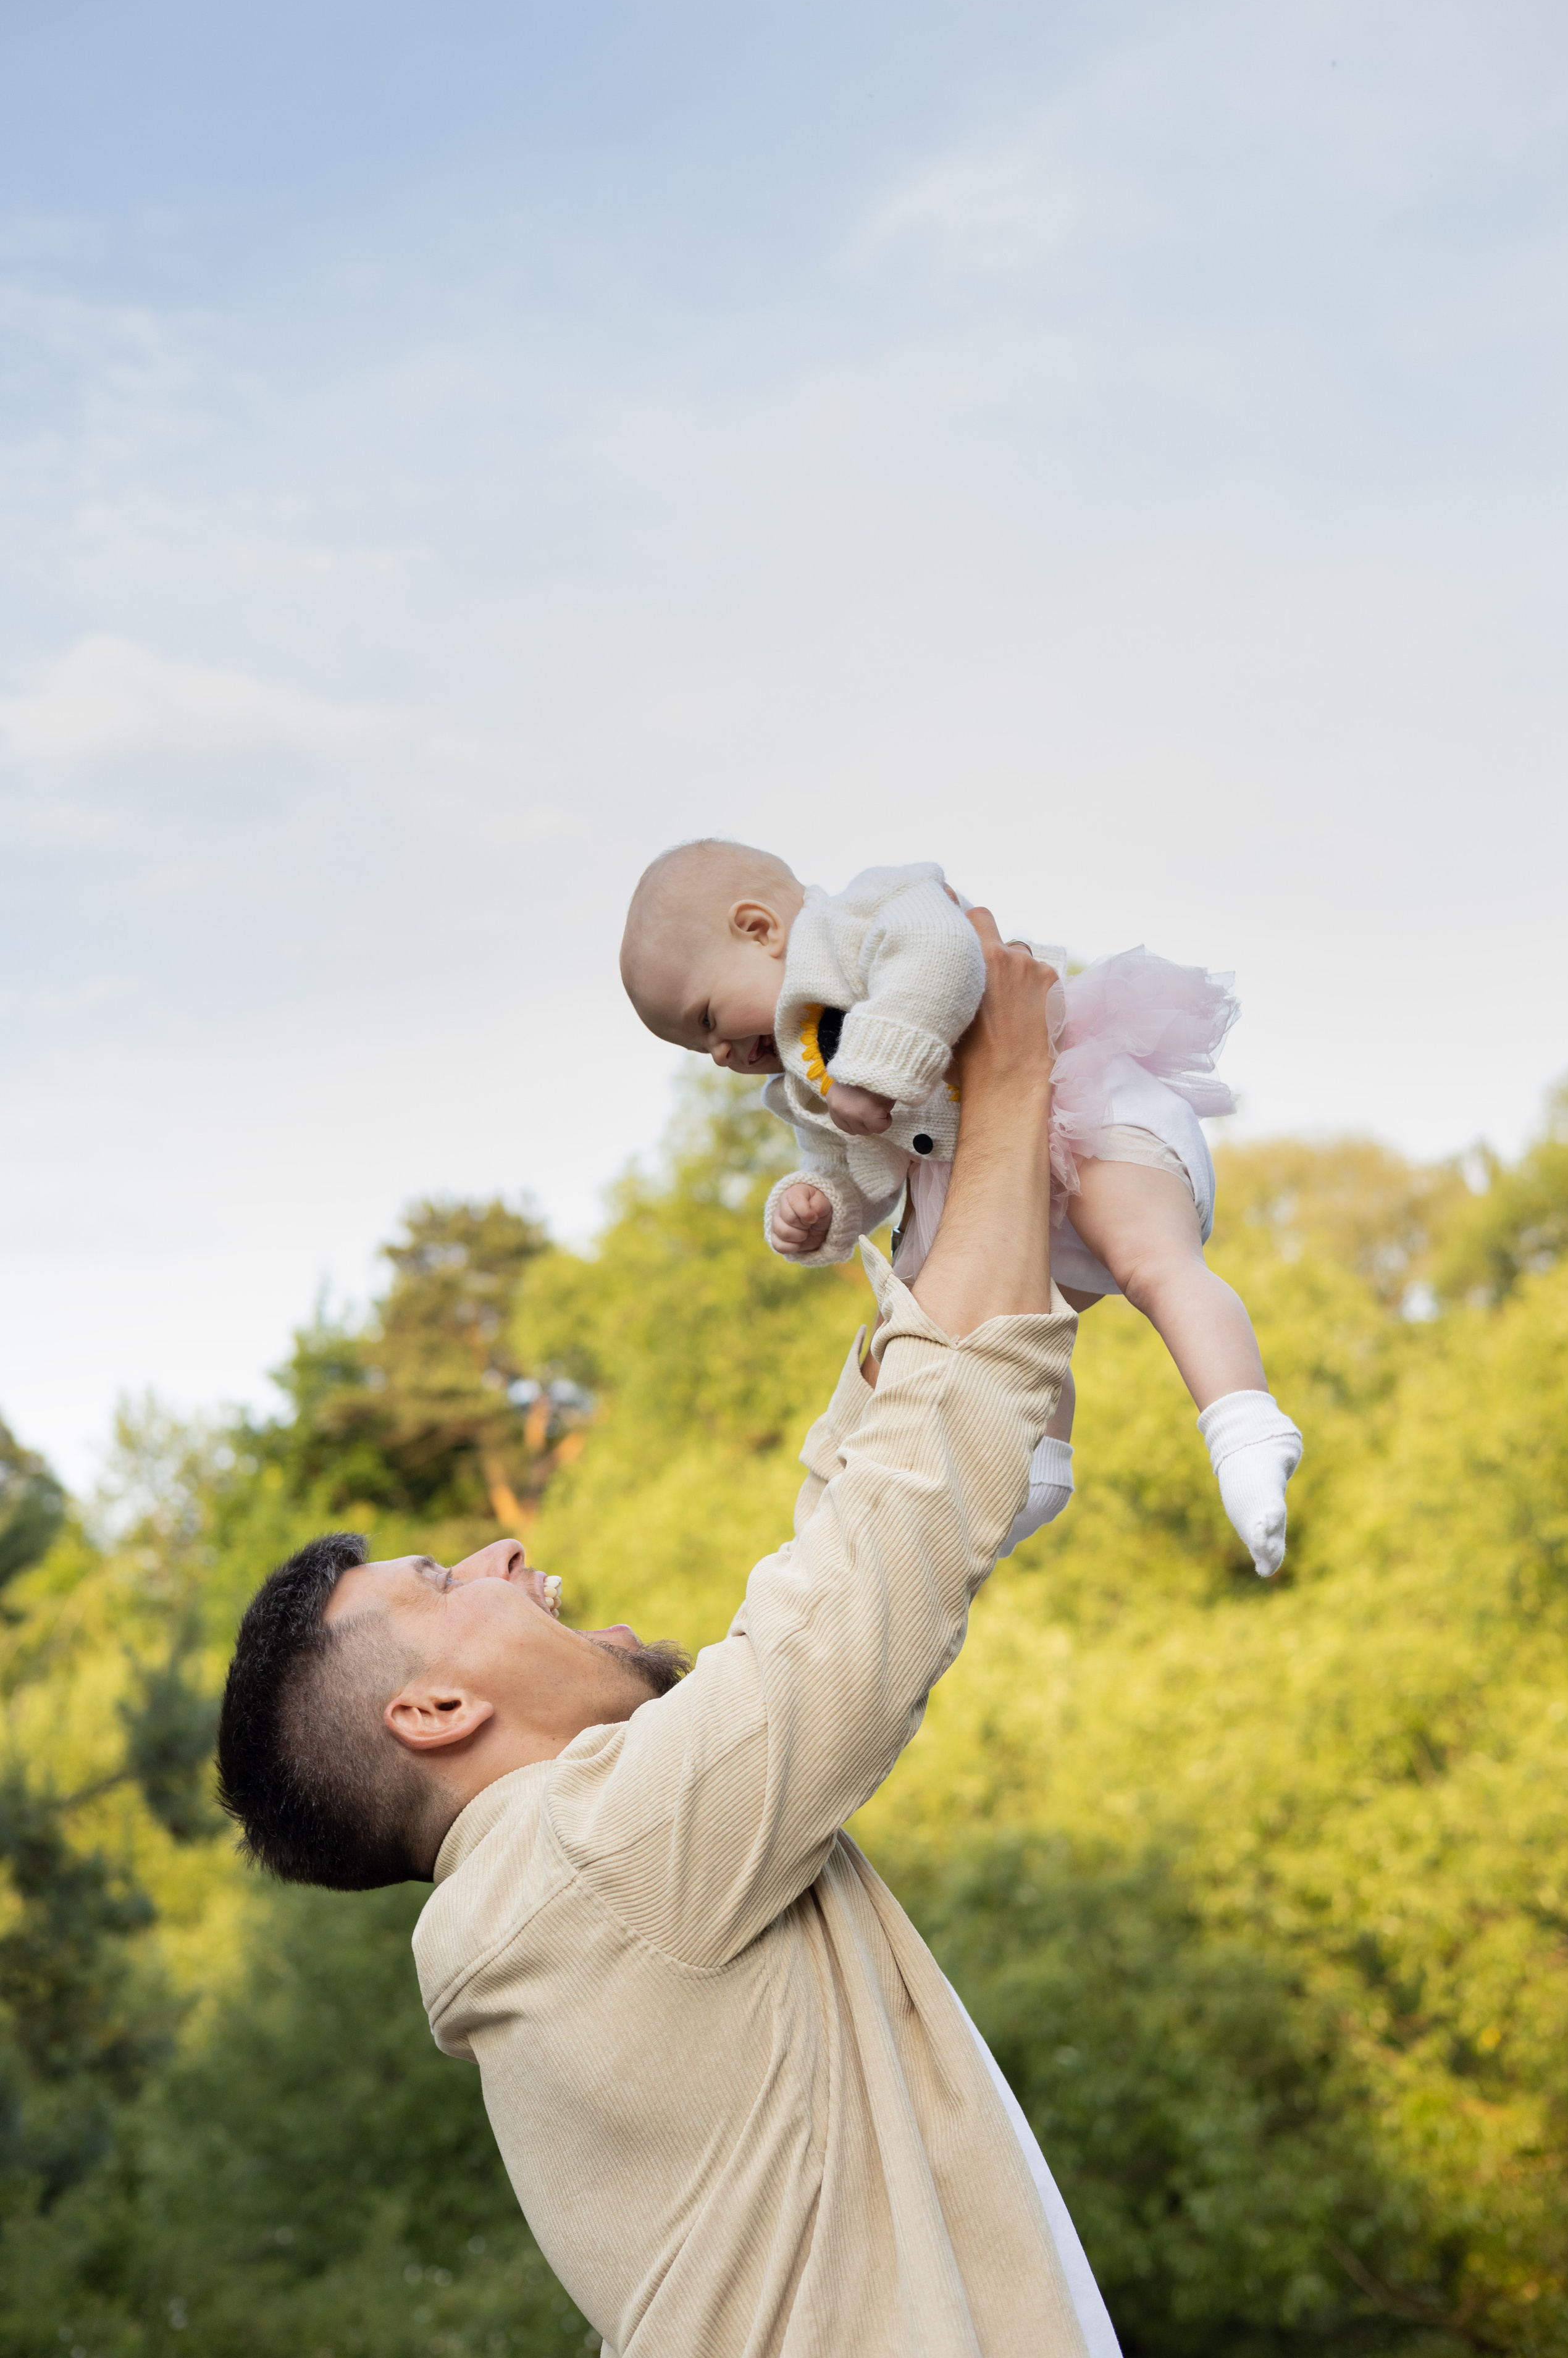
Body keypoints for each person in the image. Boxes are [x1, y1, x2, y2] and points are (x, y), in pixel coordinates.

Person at [217, 917, 1120, 2358]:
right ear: (434, 1712)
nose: (505, 1553)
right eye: (443, 1576)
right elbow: (886, 1542)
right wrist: (1008, 1082)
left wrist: (952, 1193)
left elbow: (855, 1513)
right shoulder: (590, 1861)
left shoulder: (571, 1889)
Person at [621, 839, 1302, 1575]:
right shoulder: (800, 1083)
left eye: (706, 1020)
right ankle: (1034, 1473)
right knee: (1000, 1328)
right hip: (980, 1174)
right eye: (700, 1050)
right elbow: (861, 1168)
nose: (720, 1055)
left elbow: (943, 956)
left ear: (758, 928)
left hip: (1067, 1104)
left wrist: (874, 1070)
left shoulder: (862, 916)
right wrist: (822, 1204)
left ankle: (1245, 1430)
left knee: (1152, 1262)